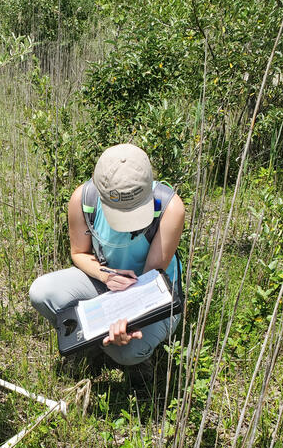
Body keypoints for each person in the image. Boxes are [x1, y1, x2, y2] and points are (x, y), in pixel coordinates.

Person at [29, 144, 185, 372]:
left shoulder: (169, 208)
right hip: (104, 283)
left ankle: (135, 362)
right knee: (42, 292)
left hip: (154, 295)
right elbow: (79, 253)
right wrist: (106, 275)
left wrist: (127, 324)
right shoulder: (84, 200)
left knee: (128, 350)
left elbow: (150, 282)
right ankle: (92, 345)